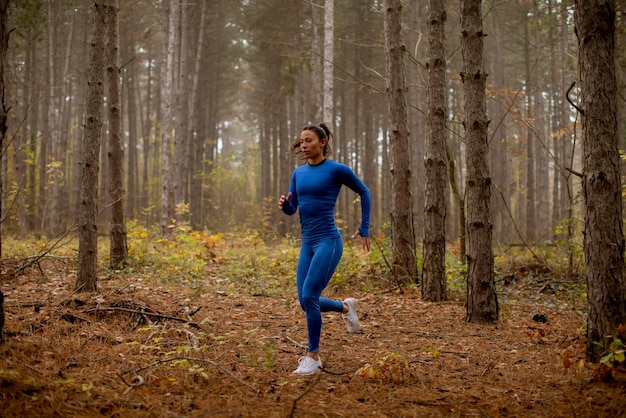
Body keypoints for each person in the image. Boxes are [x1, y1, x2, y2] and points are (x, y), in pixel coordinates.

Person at [278, 122, 371, 375]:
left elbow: (364, 191)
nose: (304, 145)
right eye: (301, 141)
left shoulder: (336, 170)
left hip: (328, 242)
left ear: (323, 143)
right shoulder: (298, 174)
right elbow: (292, 208)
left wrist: (364, 226)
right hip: (307, 243)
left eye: (308, 140)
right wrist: (285, 205)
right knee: (304, 301)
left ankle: (313, 356)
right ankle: (344, 306)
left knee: (309, 296)